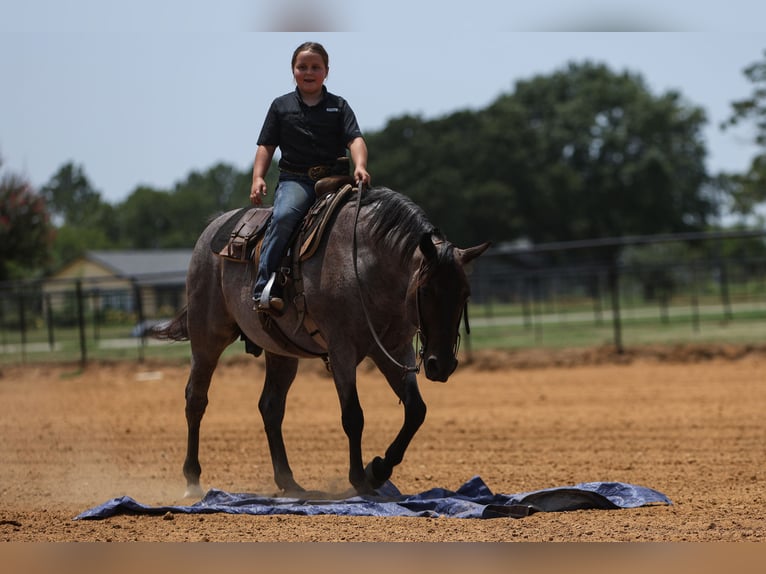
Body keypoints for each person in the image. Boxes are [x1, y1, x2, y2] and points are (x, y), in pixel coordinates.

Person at [250, 41, 371, 313]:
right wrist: (258, 177)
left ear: (326, 71)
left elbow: (355, 138)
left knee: (370, 221)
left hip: (337, 180)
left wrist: (360, 166)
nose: (309, 71)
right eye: (302, 66)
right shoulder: (281, 107)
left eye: (315, 67)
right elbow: (266, 146)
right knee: (283, 218)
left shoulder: (339, 106)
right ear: (293, 70)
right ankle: (264, 288)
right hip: (297, 181)